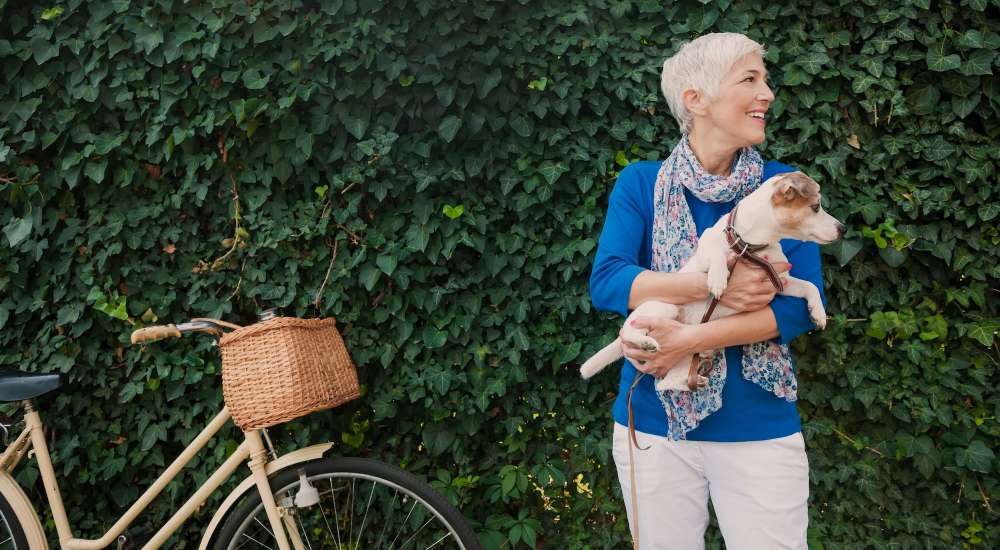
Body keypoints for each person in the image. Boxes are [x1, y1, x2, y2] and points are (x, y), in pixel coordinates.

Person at [588, 33, 825, 549]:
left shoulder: (783, 186)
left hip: (758, 424)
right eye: (750, 79)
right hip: (652, 423)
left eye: (765, 78)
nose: (768, 93)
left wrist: (687, 341)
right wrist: (706, 283)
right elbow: (608, 281)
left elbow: (794, 313)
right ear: (696, 99)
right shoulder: (640, 184)